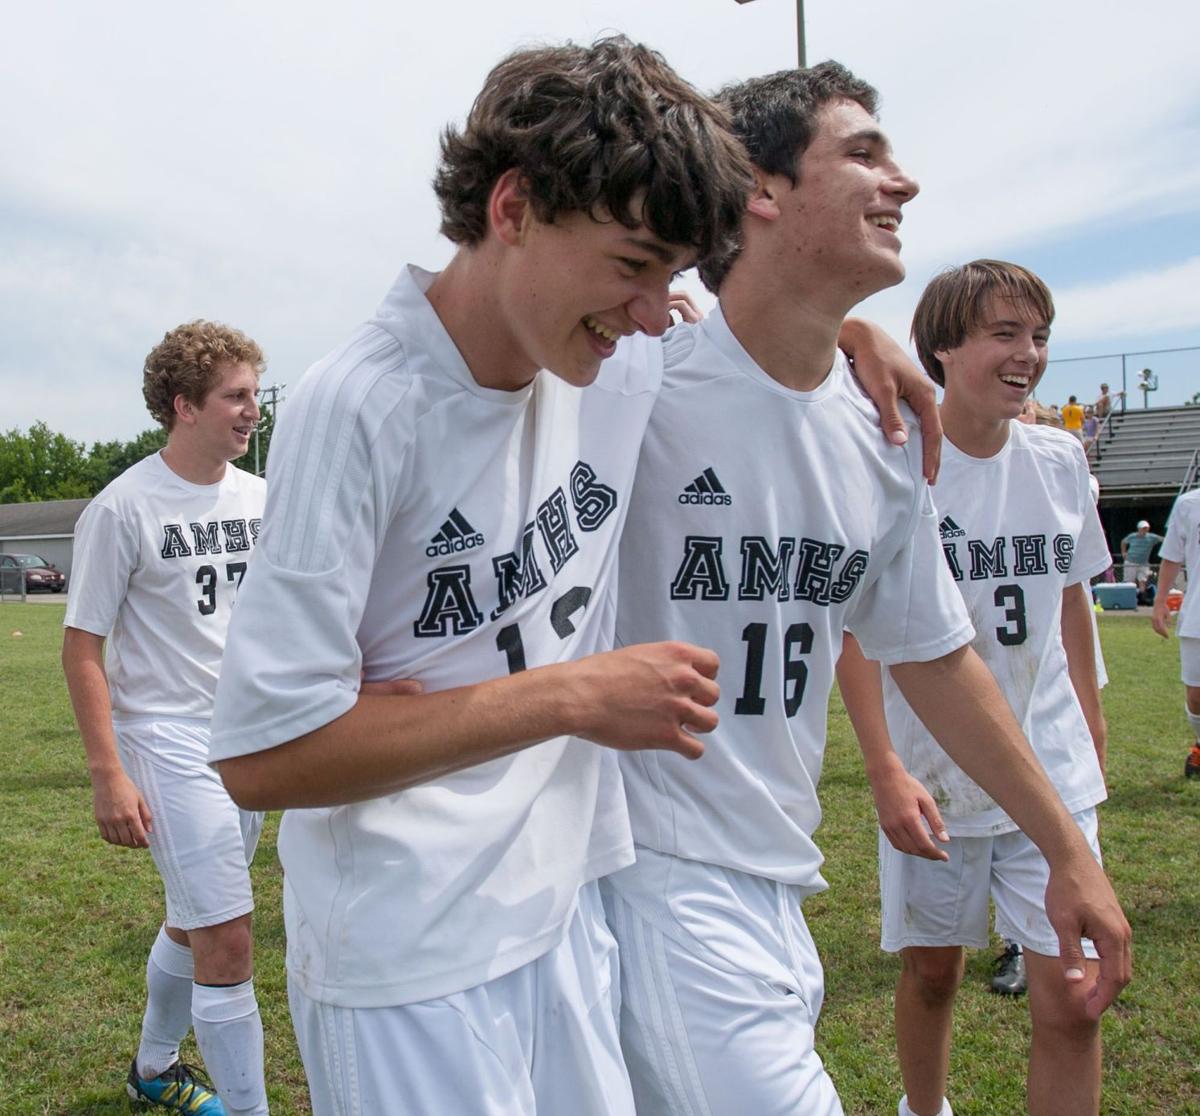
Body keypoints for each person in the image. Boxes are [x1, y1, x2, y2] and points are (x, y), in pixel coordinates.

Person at [601, 66, 1131, 1116]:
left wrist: (1068, 847)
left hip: (778, 880)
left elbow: (934, 653)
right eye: (865, 154)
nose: (906, 183)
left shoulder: (885, 430)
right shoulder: (631, 379)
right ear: (761, 188)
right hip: (646, 875)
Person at [840, 260, 1116, 1116]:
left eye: (1037, 337)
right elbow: (855, 630)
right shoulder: (894, 462)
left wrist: (1092, 740)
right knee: (933, 973)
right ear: (943, 347)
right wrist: (884, 764)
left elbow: (1072, 605)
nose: (1027, 354)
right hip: (937, 776)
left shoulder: (1062, 460)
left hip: (1049, 771)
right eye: (1004, 333)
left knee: (1073, 998)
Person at [62, 322, 269, 1116]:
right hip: (166, 738)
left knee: (193, 921)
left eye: (254, 394)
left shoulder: (259, 495)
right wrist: (108, 773)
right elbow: (83, 647)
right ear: (183, 406)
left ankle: (152, 1070)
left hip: (247, 736)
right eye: (236, 396)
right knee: (227, 933)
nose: (252, 411)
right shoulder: (123, 508)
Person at [1151, 486, 1200, 777]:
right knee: (1196, 695)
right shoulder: (1189, 503)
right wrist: (1159, 603)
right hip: (1196, 615)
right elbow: (1171, 557)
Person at [1121, 519, 1163, 589]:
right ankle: (1131, 598)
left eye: (1146, 528)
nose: (1145, 530)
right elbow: (1123, 542)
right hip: (1131, 562)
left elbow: (1162, 539)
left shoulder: (1152, 537)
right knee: (1130, 583)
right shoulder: (1132, 536)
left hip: (1143, 563)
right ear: (1139, 529)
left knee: (1143, 581)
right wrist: (1123, 552)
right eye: (1143, 528)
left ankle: (1142, 597)